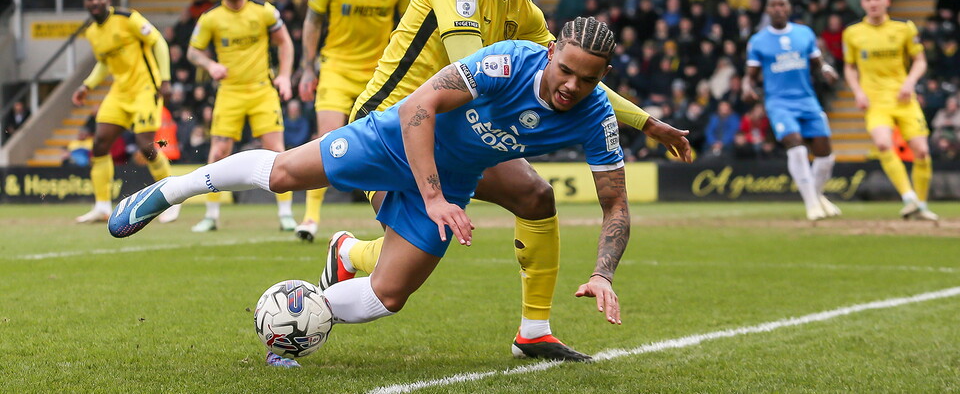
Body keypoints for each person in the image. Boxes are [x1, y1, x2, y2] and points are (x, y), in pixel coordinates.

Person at [111, 20, 634, 366]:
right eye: (564, 70)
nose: (570, 86)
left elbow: (615, 205)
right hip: (393, 141)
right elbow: (416, 110)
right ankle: (168, 191)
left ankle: (302, 315)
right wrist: (432, 198)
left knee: (389, 297)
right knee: (285, 174)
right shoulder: (508, 63)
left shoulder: (596, 118)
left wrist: (602, 272)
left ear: (602, 78)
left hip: (451, 182)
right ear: (550, 53)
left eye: (585, 81)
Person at [317, 0, 690, 362]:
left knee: (535, 195)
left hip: (459, 131)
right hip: (392, 123)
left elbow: (571, 75)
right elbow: (470, 71)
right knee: (413, 247)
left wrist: (647, 122)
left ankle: (534, 331)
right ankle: (350, 253)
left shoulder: (526, 13)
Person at [293, 0, 415, 242]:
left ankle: (392, 218)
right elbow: (312, 23)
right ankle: (309, 218)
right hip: (336, 68)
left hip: (381, 74)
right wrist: (308, 68)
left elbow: (411, 28)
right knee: (327, 140)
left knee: (384, 145)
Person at [170, 0, 296, 231]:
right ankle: (211, 215)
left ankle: (286, 214)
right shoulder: (211, 18)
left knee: (277, 151)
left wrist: (284, 76)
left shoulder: (264, 11)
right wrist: (210, 65)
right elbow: (193, 52)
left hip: (262, 90)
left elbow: (285, 42)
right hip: (229, 92)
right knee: (218, 152)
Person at [72, 0, 179, 223]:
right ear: (85, 4)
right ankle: (101, 206)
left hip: (145, 89)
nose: (94, 2)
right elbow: (104, 63)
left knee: (146, 146)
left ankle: (171, 198)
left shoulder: (128, 18)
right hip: (119, 92)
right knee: (99, 144)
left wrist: (165, 79)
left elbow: (158, 42)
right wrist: (86, 85)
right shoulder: (92, 32)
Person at [842, 0, 936, 220]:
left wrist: (909, 82)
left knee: (922, 152)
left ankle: (922, 205)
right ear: (862, 3)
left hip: (904, 99)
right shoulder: (852, 33)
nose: (873, 3)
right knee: (884, 144)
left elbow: (920, 61)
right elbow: (849, 67)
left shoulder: (904, 28)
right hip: (875, 102)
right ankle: (908, 197)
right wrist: (858, 92)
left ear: (887, 1)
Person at [743, 0, 841, 220]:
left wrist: (827, 69)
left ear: (789, 8)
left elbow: (818, 62)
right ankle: (811, 205)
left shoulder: (804, 33)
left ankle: (816, 197)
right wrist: (747, 87)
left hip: (807, 100)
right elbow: (750, 75)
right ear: (767, 10)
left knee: (825, 156)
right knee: (795, 145)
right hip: (779, 103)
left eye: (782, 4)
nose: (778, 9)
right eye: (773, 5)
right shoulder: (758, 40)